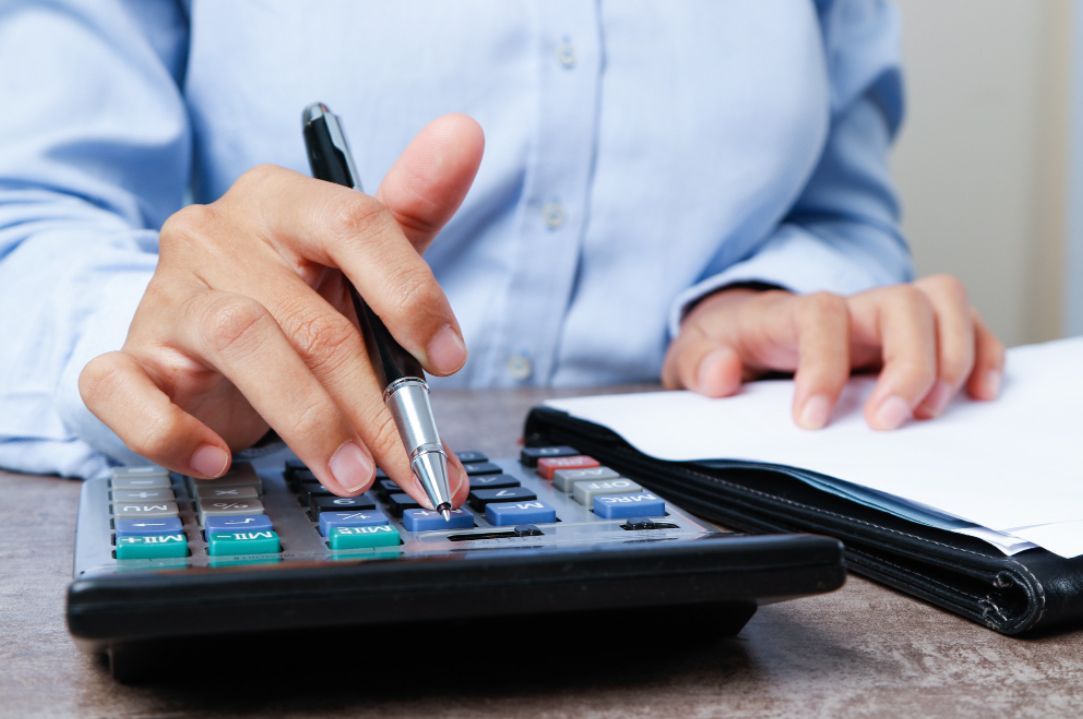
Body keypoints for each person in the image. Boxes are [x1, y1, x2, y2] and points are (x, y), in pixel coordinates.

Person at [0, 1, 1003, 509]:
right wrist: (153, 346)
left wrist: (767, 291)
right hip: (277, 507)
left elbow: (845, 212)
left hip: (710, 535)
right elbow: (28, 217)